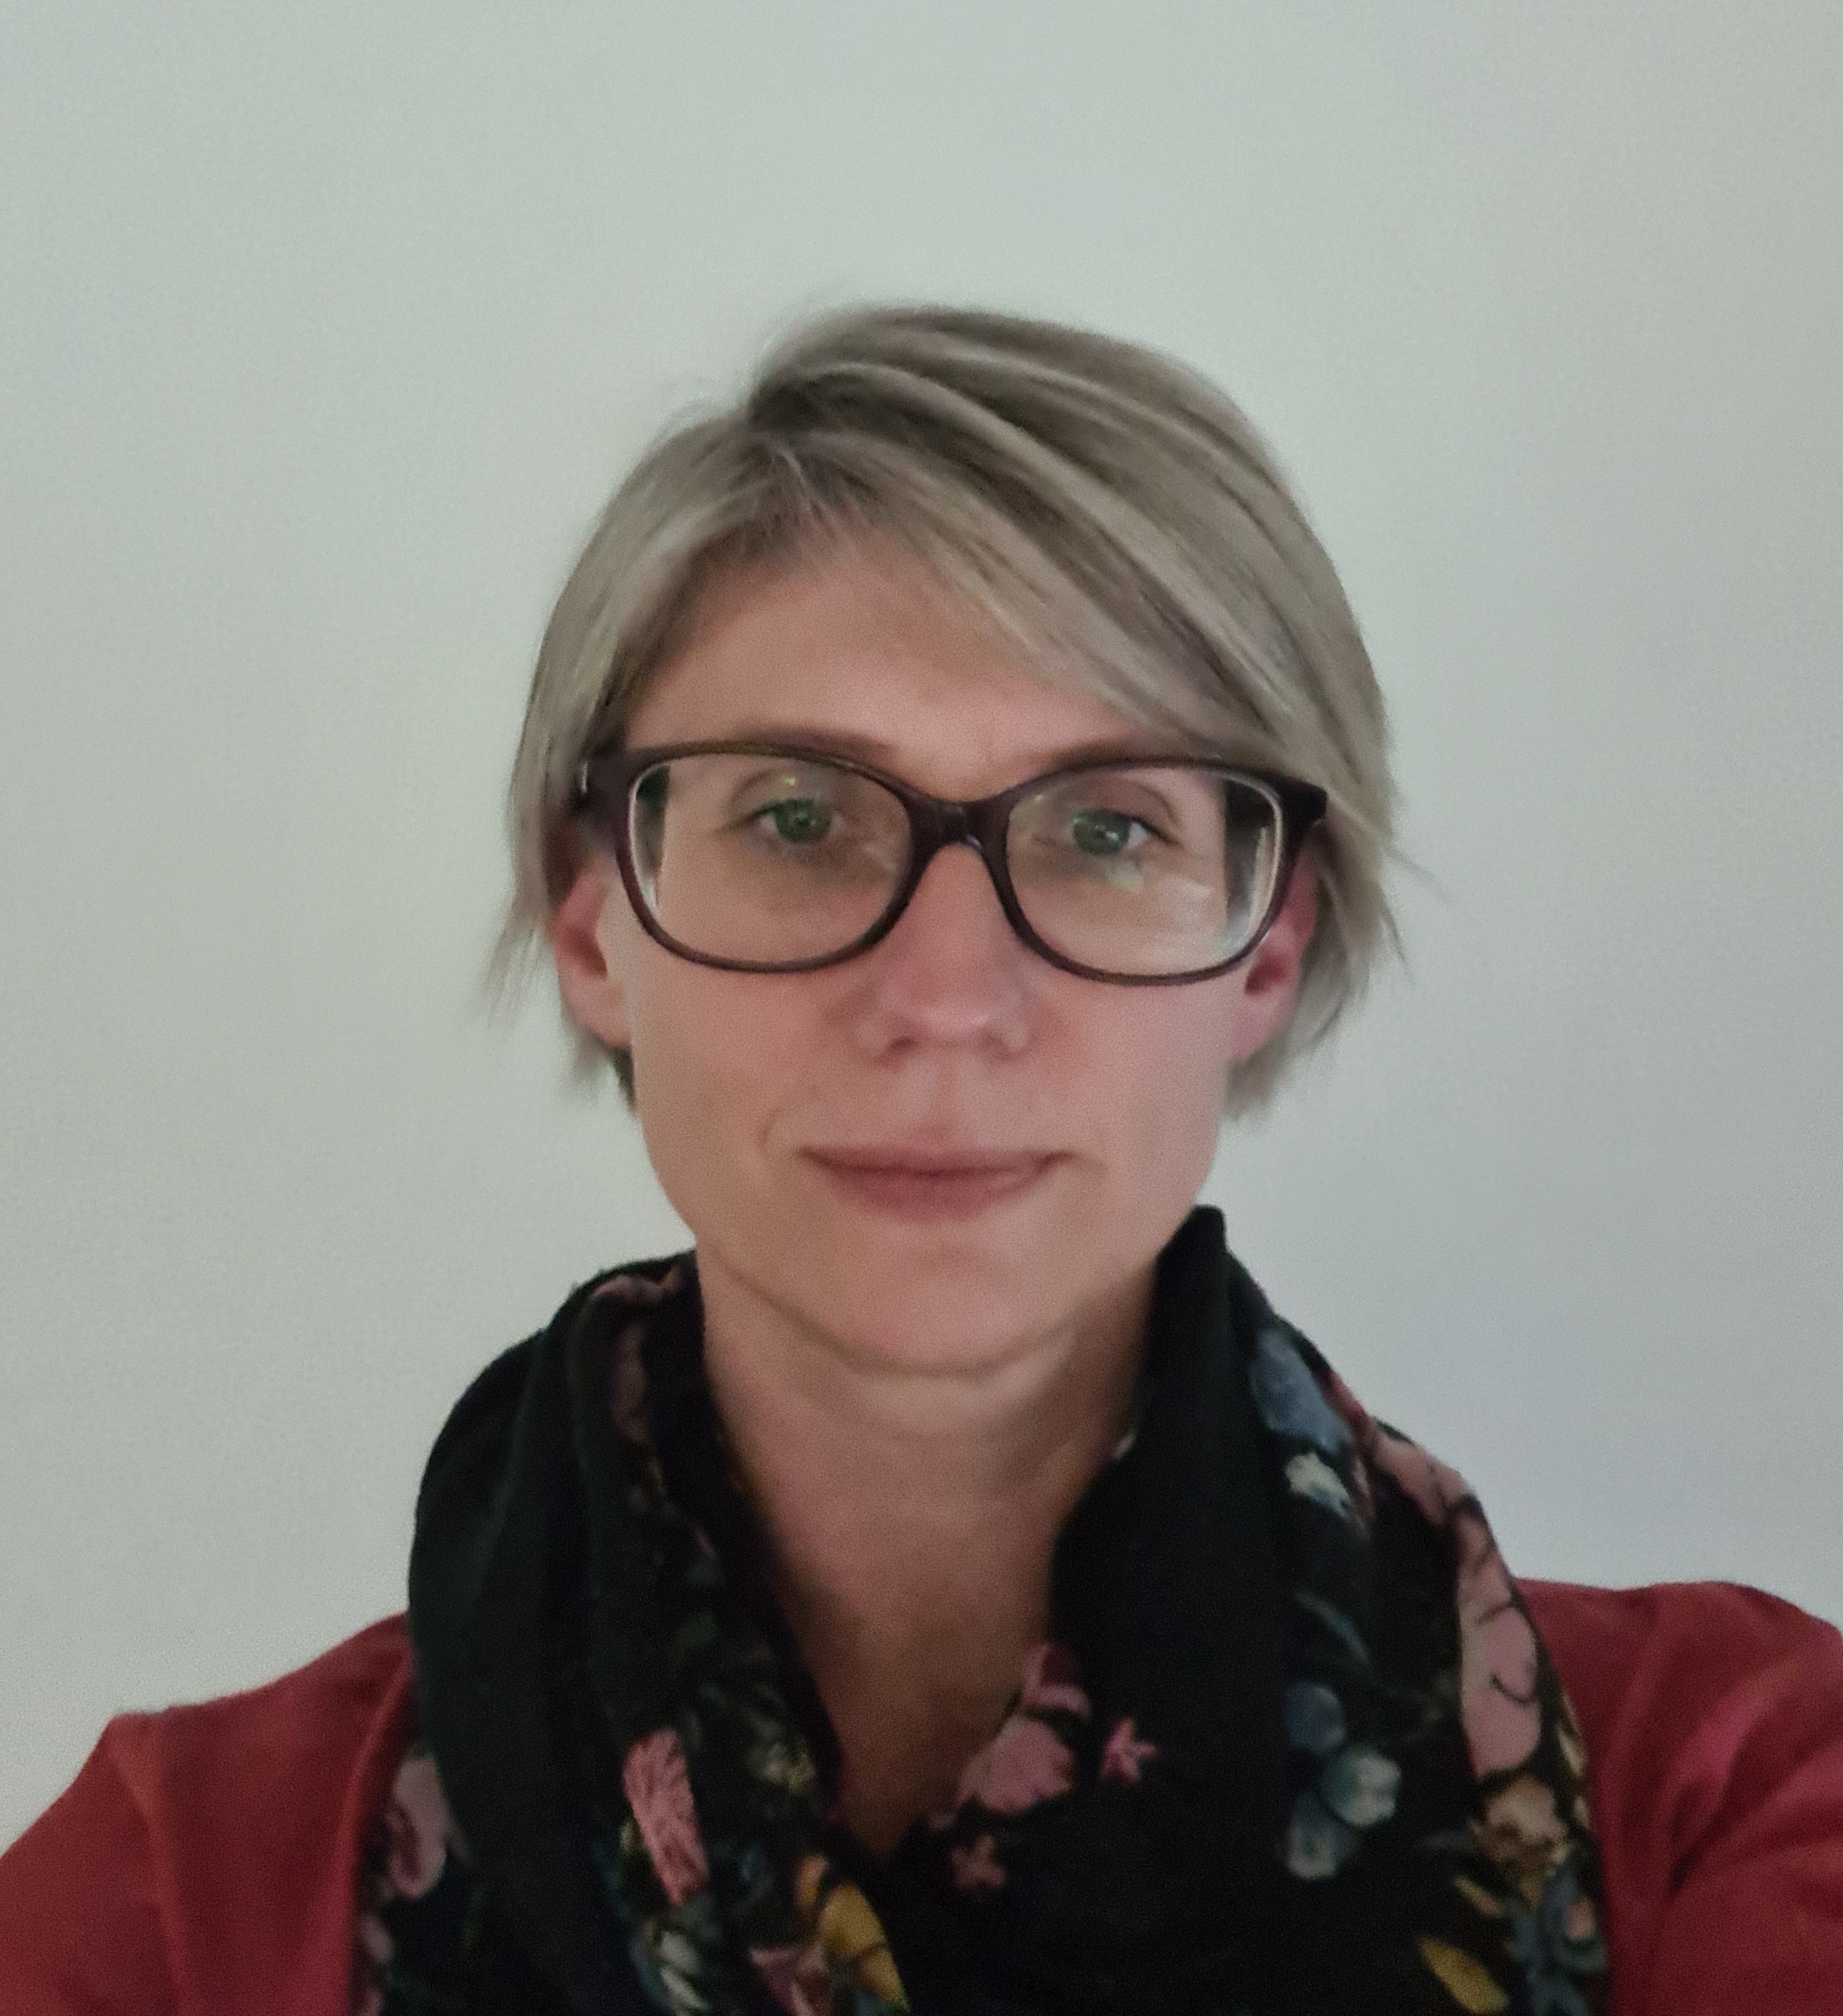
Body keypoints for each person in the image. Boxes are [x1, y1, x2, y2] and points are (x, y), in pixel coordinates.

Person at [4, 306, 1840, 2015]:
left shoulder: (1743, 1796)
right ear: (593, 918)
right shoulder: (170, 1909)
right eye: (797, 814)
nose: (947, 1000)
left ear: (1268, 943)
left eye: (1106, 830)